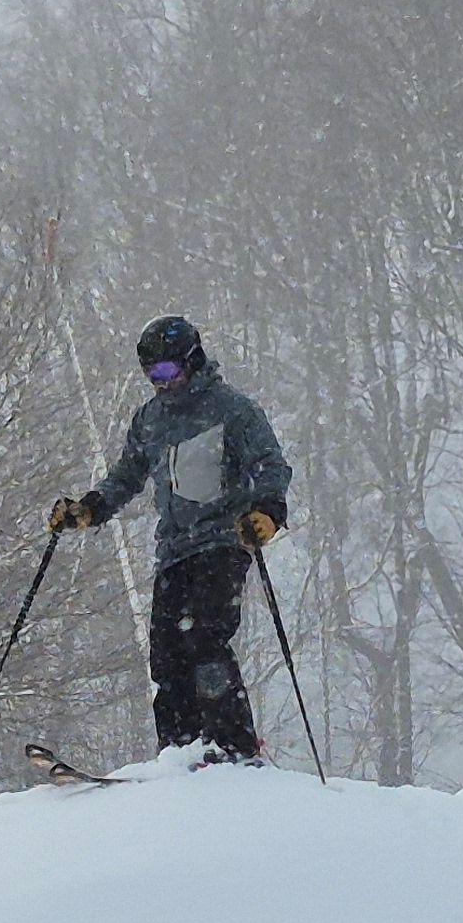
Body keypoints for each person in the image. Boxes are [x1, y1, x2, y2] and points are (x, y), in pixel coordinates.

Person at [50, 314, 293, 759]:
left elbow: (269, 464)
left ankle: (232, 745)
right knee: (166, 654)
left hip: (222, 541)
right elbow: (127, 475)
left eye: (166, 371)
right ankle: (179, 751)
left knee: (205, 637)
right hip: (174, 551)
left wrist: (269, 512)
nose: (160, 383)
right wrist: (90, 508)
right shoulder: (150, 419)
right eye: (151, 375)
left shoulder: (232, 409)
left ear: (192, 360)